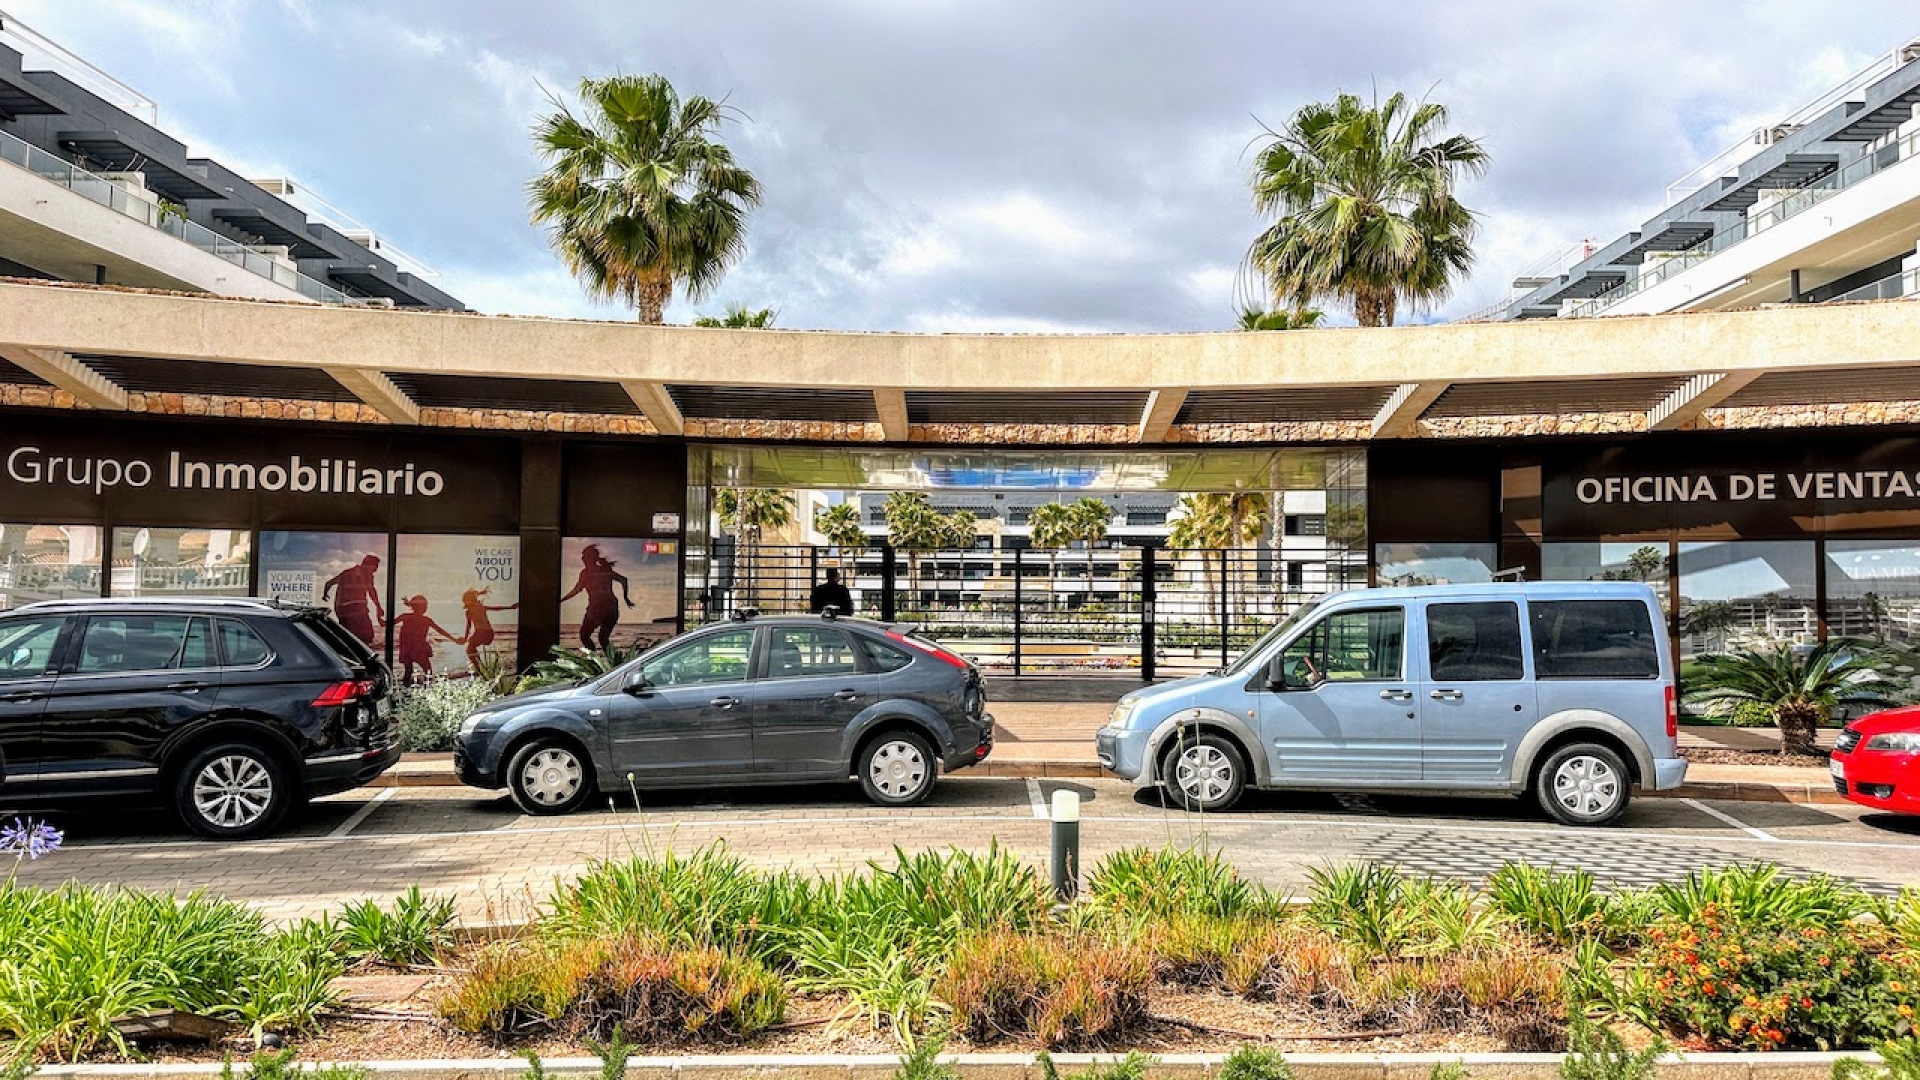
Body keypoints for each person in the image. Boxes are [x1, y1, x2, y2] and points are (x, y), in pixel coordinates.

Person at [561, 544, 633, 651]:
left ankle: (598, 661)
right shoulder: (598, 571)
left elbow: (576, 590)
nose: (582, 558)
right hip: (608, 608)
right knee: (601, 638)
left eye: (584, 555)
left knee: (587, 636)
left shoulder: (591, 572)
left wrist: (561, 600)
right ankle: (612, 663)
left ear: (590, 558)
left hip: (600, 609)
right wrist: (626, 598)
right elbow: (624, 580)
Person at [386, 595, 459, 684]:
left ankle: (406, 689)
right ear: (421, 607)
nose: (426, 607)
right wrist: (454, 639)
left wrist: (379, 617)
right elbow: (441, 631)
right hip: (418, 649)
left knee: (409, 670)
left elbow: (386, 624)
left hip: (407, 649)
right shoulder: (425, 620)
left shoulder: (405, 617)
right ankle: (426, 689)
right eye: (425, 605)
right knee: (427, 670)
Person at [321, 554, 384, 648]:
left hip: (341, 609)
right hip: (355, 607)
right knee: (367, 635)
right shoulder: (367, 575)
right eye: (375, 566)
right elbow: (371, 591)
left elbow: (328, 583)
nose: (376, 570)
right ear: (369, 565)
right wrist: (378, 607)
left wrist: (325, 595)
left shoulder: (346, 573)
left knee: (347, 635)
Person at [460, 587, 519, 670]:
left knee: (469, 649)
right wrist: (510, 607)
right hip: (490, 634)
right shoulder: (481, 607)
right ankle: (479, 667)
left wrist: (465, 638)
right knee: (471, 647)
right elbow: (496, 608)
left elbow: (468, 626)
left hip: (481, 633)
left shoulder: (469, 611)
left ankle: (478, 668)